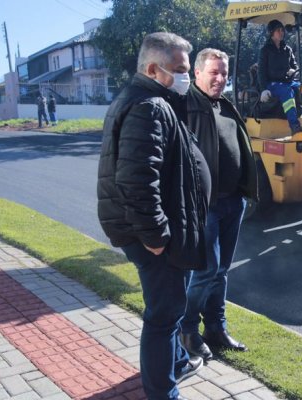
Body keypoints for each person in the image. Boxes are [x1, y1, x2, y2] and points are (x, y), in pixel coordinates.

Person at [97, 32, 209, 400]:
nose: (185, 77)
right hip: (153, 236)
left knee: (171, 309)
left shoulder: (146, 99)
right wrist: (156, 237)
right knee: (164, 316)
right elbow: (137, 179)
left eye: (187, 69)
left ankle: (176, 362)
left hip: (156, 230)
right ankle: (163, 392)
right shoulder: (149, 106)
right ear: (152, 69)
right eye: (179, 69)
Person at [182, 48, 258, 361]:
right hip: (205, 205)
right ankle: (187, 328)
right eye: (214, 72)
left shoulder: (224, 105)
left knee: (222, 270)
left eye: (224, 73)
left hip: (232, 201)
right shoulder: (186, 105)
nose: (220, 79)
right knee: (206, 270)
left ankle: (215, 327)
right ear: (197, 73)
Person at [258, 19, 301, 133]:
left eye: (282, 30)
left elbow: (295, 66)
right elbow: (261, 72)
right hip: (272, 84)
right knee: (287, 91)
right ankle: (294, 125)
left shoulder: (287, 49)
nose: (281, 32)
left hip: (287, 81)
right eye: (278, 30)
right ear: (271, 32)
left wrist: (293, 71)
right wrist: (263, 89)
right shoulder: (265, 50)